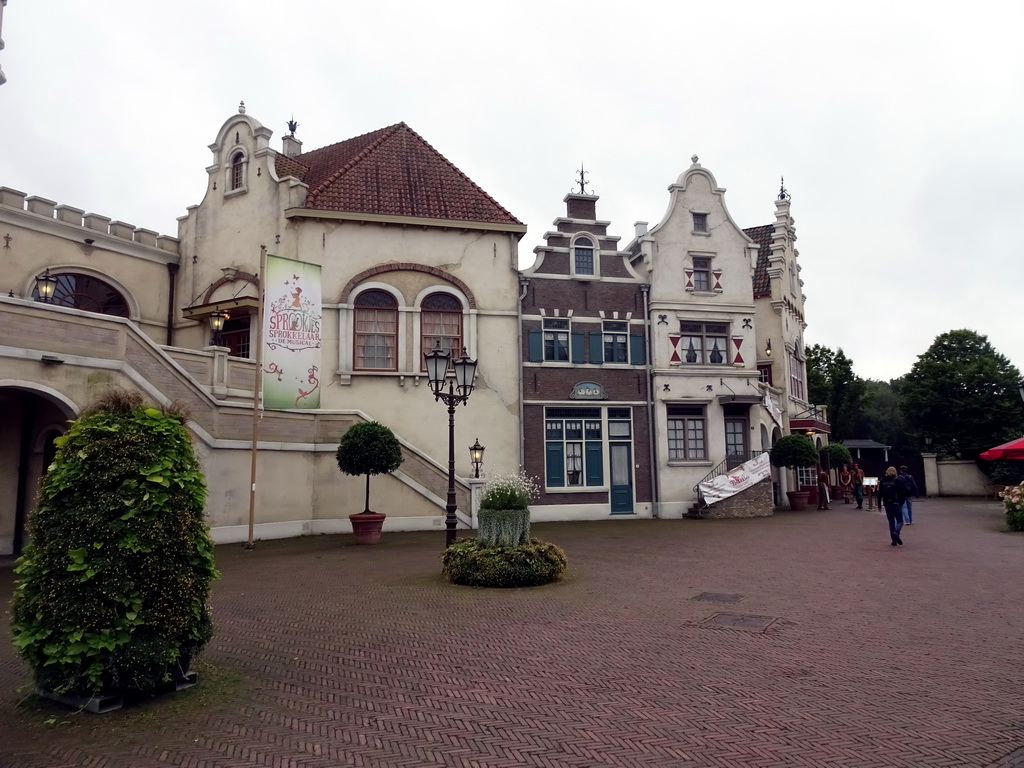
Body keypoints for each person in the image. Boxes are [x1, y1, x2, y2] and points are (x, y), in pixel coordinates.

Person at [878, 466, 907, 546]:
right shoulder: (898, 480)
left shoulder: (883, 481)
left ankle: (893, 541)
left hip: (887, 504)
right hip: (897, 503)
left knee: (891, 522)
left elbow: (879, 494)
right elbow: (902, 493)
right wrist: (901, 503)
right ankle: (896, 532)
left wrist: (879, 505)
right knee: (900, 521)